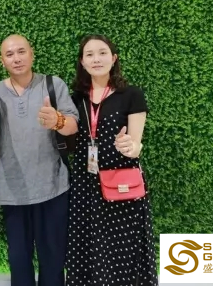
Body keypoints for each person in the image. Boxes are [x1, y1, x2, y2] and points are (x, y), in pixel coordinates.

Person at [65, 35, 158, 285]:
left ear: (114, 58)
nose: (96, 59)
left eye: (103, 53)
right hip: (85, 185)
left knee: (124, 249)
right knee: (88, 248)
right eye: (89, 54)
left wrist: (130, 146)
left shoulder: (131, 95)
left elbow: (136, 144)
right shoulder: (75, 99)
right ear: (82, 62)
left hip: (122, 184)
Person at [0, 35, 79, 286]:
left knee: (53, 257)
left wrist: (57, 121)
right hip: (12, 189)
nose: (16, 58)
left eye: (21, 52)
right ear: (2, 60)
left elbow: (73, 126)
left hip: (52, 185)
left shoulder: (53, 85)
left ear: (32, 53)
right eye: (9, 54)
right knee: (18, 259)